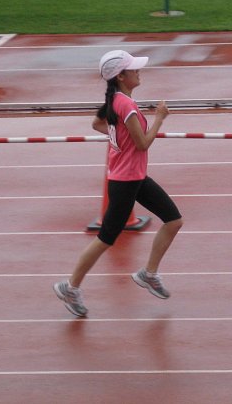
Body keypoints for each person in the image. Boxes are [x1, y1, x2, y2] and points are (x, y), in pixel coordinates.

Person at [53, 50, 184, 317]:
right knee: (105, 239)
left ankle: (148, 274)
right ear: (121, 76)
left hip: (135, 177)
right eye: (133, 69)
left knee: (173, 220)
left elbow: (97, 124)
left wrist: (118, 137)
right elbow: (142, 143)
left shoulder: (115, 100)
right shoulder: (126, 105)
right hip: (125, 182)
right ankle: (70, 287)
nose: (139, 71)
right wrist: (159, 118)